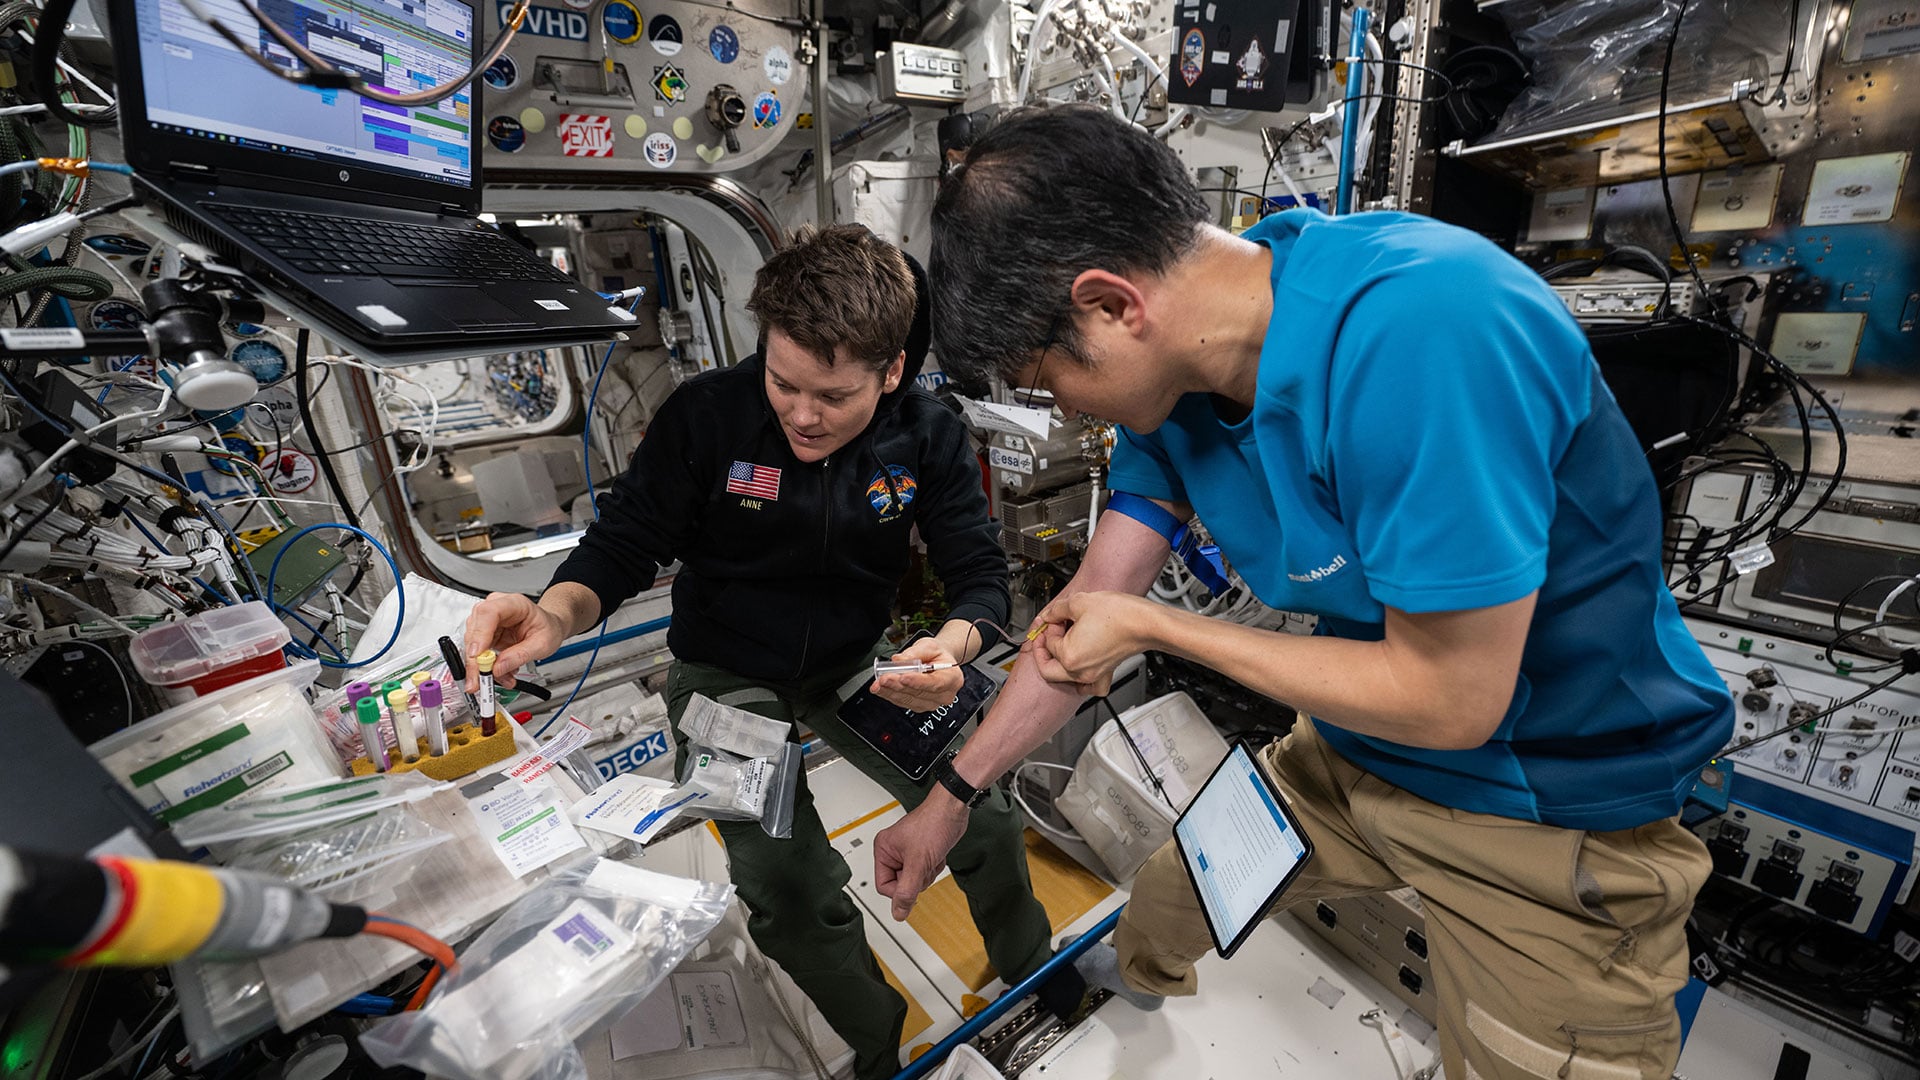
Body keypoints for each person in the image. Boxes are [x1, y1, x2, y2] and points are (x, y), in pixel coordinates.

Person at [872, 106, 1735, 1079]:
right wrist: (949, 796)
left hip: (1548, 806)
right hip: (1357, 753)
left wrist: (1160, 630)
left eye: (1050, 379)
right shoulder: (1181, 387)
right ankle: (1124, 994)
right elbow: (1086, 621)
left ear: (1112, 305)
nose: (1066, 407)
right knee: (1175, 896)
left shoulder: (1425, 325)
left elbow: (1454, 698)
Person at [465, 225, 1085, 1080]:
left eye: (832, 396)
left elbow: (980, 574)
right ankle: (880, 1044)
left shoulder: (928, 434)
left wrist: (953, 643)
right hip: (727, 676)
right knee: (789, 885)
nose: (801, 413)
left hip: (861, 664)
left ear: (893, 371)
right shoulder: (707, 418)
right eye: (783, 382)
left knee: (979, 813)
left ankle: (1035, 972)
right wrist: (553, 615)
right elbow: (622, 545)